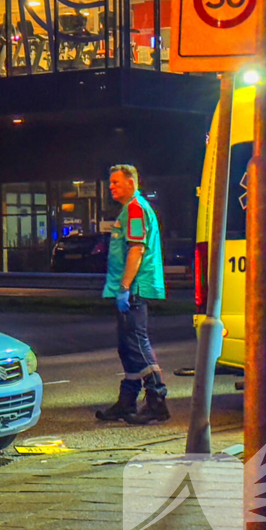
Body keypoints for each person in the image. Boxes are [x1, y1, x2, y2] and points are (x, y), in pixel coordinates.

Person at [95, 164, 169, 424]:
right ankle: (127, 402)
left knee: (137, 344)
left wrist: (125, 287)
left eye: (116, 182)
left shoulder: (135, 209)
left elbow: (136, 250)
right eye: (110, 182)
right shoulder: (130, 210)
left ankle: (156, 401)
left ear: (131, 182)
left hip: (134, 288)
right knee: (127, 347)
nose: (111, 187)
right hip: (129, 288)